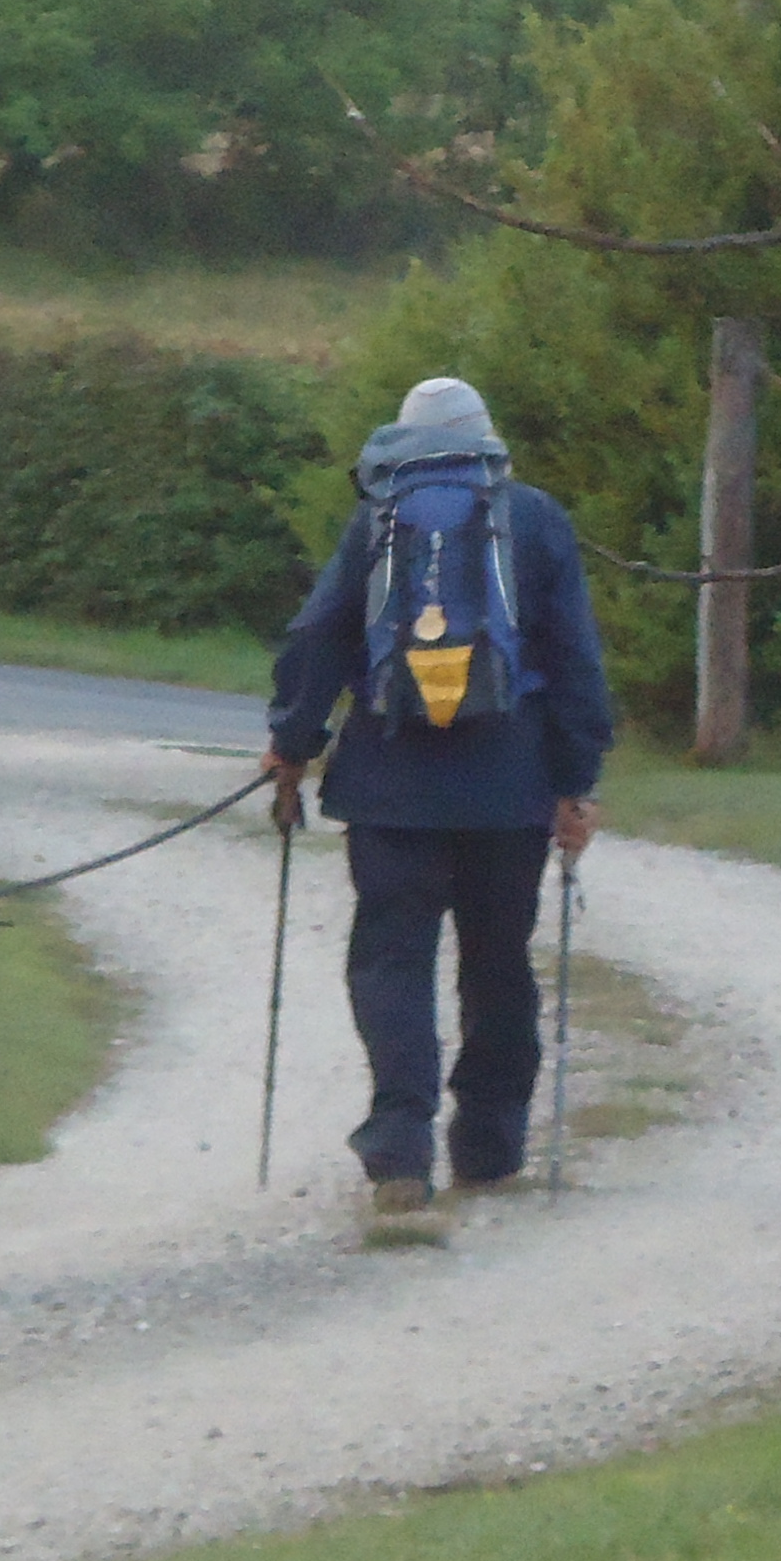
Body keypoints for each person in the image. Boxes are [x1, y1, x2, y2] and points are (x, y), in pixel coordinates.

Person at [262, 375, 611, 1226]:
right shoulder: (533, 519)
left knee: (392, 961)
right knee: (498, 961)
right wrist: (575, 783)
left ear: (401, 441)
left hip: (389, 784)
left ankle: (399, 1153)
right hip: (508, 785)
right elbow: (574, 663)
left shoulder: (376, 522)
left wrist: (291, 744)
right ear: (488, 442)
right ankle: (488, 1154)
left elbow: (319, 635)